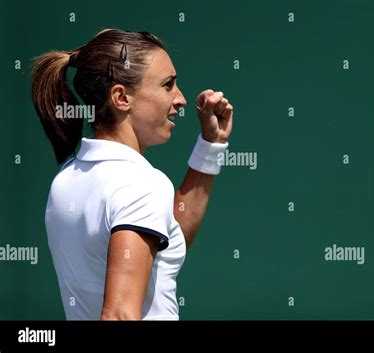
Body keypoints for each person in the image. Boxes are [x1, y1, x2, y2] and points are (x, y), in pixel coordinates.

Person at [31, 28, 234, 320]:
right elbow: (119, 315)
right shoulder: (140, 185)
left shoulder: (66, 179)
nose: (181, 100)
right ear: (121, 97)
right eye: (168, 85)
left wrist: (211, 146)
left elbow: (164, 242)